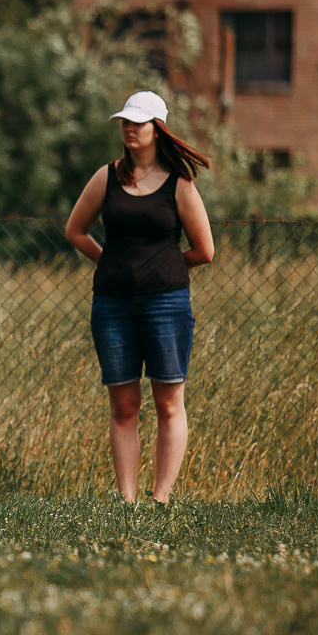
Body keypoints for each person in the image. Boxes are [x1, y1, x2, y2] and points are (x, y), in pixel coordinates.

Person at [64, 91, 215, 505]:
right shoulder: (106, 177)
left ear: (157, 129)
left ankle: (160, 499)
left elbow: (205, 251)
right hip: (112, 305)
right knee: (124, 406)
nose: (129, 128)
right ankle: (127, 501)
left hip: (166, 304)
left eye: (138, 122)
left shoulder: (180, 185)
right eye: (125, 122)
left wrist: (164, 267)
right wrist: (108, 260)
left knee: (168, 404)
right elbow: (75, 231)